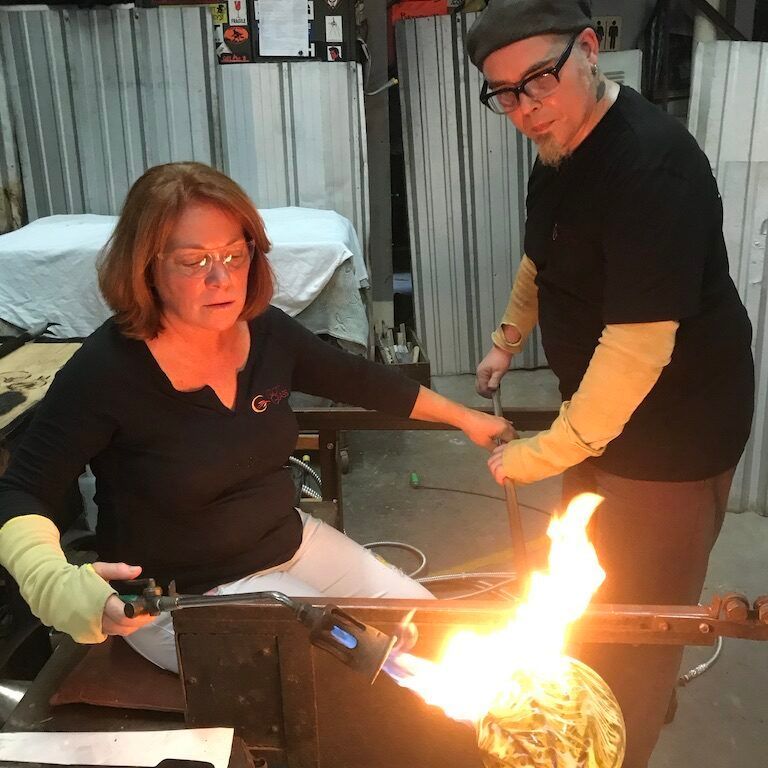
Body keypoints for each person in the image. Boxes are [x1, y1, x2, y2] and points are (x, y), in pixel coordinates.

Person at [0, 161, 513, 674]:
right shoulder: (106, 372)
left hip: (288, 541)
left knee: (435, 626)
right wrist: (57, 584)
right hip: (182, 597)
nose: (221, 278)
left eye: (234, 254)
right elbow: (20, 490)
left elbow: (357, 378)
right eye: (193, 260)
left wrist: (465, 418)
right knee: (362, 674)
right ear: (145, 266)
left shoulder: (263, 330)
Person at [466, 1, 754, 766]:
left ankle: (621, 733)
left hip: (674, 426)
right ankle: (607, 695)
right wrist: (506, 341)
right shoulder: (558, 145)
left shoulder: (648, 166)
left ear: (588, 49)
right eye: (504, 93)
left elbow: (636, 349)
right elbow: (541, 260)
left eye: (539, 81)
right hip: (597, 408)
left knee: (640, 613)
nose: (525, 110)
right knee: (591, 577)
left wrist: (551, 449)